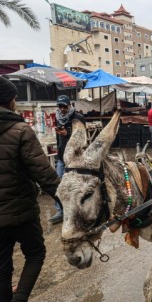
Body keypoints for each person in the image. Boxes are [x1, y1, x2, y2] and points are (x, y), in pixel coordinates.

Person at [0, 77, 60, 302]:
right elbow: (43, 173)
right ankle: (20, 297)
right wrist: (65, 198)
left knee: (2, 269)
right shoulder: (21, 131)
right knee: (35, 254)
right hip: (21, 212)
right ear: (10, 100)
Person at [51, 95, 85, 224]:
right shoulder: (58, 117)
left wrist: (68, 134)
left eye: (64, 106)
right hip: (61, 156)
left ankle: (78, 209)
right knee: (58, 182)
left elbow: (82, 138)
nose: (62, 109)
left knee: (77, 183)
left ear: (69, 105)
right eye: (60, 106)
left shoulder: (78, 118)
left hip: (75, 155)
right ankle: (60, 210)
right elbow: (58, 137)